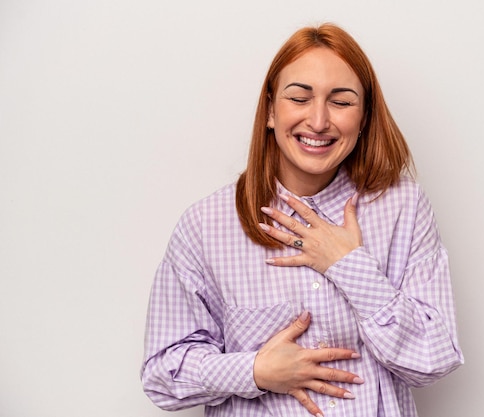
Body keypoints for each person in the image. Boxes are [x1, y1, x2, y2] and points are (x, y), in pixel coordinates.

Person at [141, 23, 463, 417]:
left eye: (341, 102)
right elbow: (162, 374)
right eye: (299, 98)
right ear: (271, 110)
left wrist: (349, 266)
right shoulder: (206, 225)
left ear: (363, 120)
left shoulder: (404, 207)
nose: (318, 121)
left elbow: (434, 356)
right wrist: (255, 370)